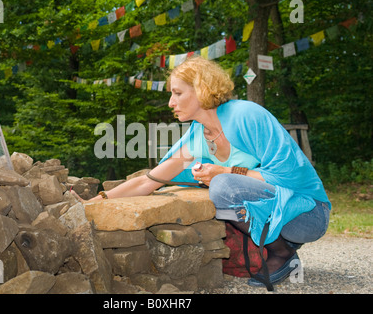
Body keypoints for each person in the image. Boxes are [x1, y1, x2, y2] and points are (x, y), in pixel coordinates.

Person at [80, 56, 331, 289]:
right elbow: (148, 182)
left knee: (222, 186)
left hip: (309, 213)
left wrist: (226, 171)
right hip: (279, 212)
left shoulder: (246, 116)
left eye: (177, 93)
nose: (171, 102)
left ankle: (282, 252)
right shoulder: (197, 136)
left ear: (201, 89)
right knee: (218, 187)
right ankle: (278, 245)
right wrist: (96, 201)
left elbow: (290, 177)